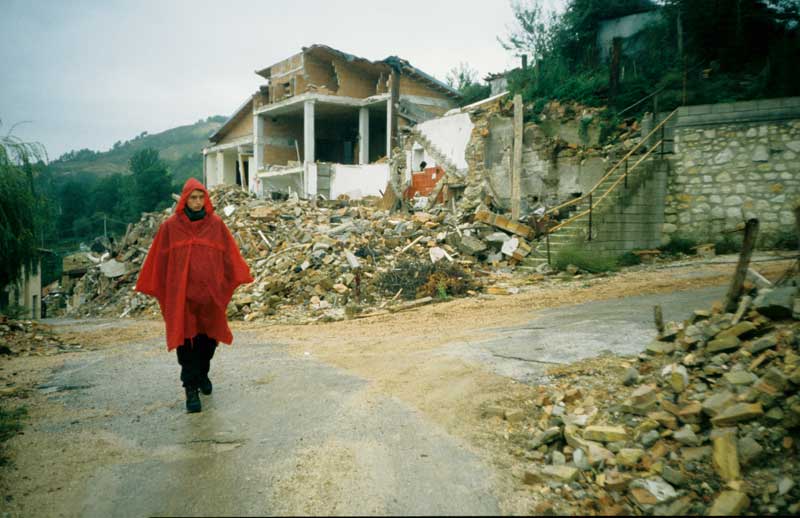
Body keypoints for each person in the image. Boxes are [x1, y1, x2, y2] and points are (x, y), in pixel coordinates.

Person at [135, 178, 253, 413]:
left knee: (208, 341)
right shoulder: (170, 227)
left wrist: (233, 278)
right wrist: (159, 287)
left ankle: (203, 373)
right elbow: (160, 259)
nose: (198, 202)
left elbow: (230, 255)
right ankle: (190, 389)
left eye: (201, 198)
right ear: (185, 199)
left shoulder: (216, 224)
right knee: (185, 340)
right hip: (182, 297)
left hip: (209, 295)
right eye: (193, 198)